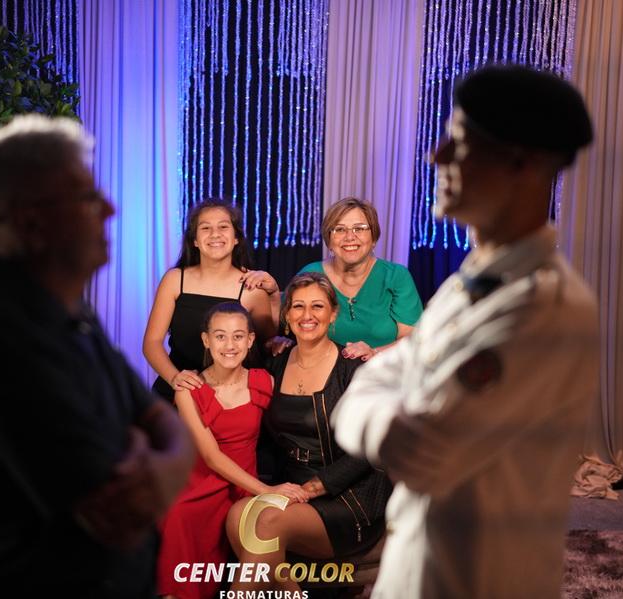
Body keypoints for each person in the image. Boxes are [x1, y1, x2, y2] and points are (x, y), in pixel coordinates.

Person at [333, 65, 599, 599]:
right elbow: (372, 386)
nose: (437, 156)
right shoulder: (466, 284)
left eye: (461, 142)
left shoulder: (545, 309)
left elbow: (434, 448)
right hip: (421, 557)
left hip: (478, 575)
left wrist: (379, 409)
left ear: (523, 164)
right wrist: (386, 415)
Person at [0, 115, 194, 599]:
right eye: (87, 197)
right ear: (31, 222)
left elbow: (163, 421)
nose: (109, 208)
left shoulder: (72, 309)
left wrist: (160, 458)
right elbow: (125, 516)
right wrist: (162, 455)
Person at [225, 272, 391, 592]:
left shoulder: (354, 369)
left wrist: (313, 487)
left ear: (333, 314)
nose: (307, 315)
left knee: (267, 521)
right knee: (236, 517)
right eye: (298, 306)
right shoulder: (275, 363)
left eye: (317, 306)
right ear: (287, 315)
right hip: (292, 486)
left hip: (348, 497)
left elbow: (369, 448)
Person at [157, 302, 309, 599]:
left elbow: (294, 426)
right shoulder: (188, 389)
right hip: (201, 485)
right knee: (178, 517)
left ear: (250, 340)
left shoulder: (263, 382)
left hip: (243, 488)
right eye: (220, 336)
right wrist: (267, 490)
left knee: (265, 553)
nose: (229, 345)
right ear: (206, 340)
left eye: (238, 336)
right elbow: (211, 457)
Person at [242, 198, 422, 361]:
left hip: (383, 374)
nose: (350, 237)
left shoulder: (396, 276)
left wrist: (375, 353)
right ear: (329, 240)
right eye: (340, 229)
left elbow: (413, 339)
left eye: (359, 228)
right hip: (322, 375)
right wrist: (274, 296)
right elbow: (283, 326)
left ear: (373, 237)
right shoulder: (311, 274)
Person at [144, 199, 280, 400]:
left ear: (236, 238)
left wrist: (274, 296)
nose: (215, 234)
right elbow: (152, 342)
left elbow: (268, 346)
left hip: (229, 399)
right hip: (176, 391)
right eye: (205, 228)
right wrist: (175, 378)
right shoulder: (174, 280)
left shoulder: (252, 289)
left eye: (223, 227)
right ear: (194, 240)